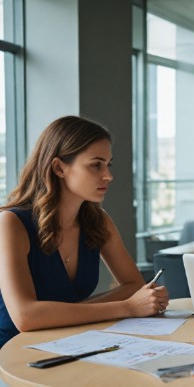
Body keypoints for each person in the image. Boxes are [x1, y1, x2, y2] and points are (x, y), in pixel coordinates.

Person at [0, 116, 169, 348]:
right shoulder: (10, 224)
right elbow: (25, 317)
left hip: (69, 343)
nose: (108, 175)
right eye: (95, 164)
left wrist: (67, 314)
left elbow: (133, 285)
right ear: (59, 167)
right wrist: (127, 307)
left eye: (108, 164)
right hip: (12, 355)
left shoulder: (97, 221)